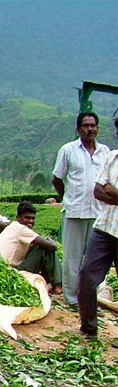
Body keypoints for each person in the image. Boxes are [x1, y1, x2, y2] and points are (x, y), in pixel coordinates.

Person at [52, 112, 111, 306]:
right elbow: (57, 178)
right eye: (86, 126)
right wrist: (67, 198)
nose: (90, 129)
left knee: (95, 261)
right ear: (78, 129)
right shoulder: (68, 150)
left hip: (98, 213)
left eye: (93, 125)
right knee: (72, 258)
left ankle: (90, 299)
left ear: (98, 128)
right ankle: (71, 299)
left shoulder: (105, 152)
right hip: (75, 212)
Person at [78, 116, 118, 339]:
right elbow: (98, 191)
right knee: (87, 277)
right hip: (105, 228)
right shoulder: (113, 157)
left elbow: (108, 191)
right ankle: (89, 328)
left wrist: (113, 191)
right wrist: (108, 191)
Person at [0, 201, 62, 293]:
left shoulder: (13, 226)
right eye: (27, 218)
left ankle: (51, 282)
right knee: (45, 249)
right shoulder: (21, 229)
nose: (30, 221)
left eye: (33, 218)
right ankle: (58, 285)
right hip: (11, 272)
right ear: (18, 218)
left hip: (0, 269)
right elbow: (52, 246)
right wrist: (50, 240)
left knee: (39, 247)